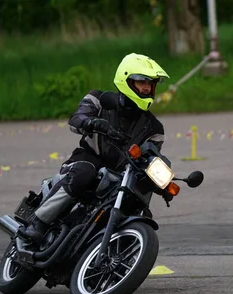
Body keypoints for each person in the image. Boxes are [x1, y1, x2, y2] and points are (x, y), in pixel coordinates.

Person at [23, 53, 170, 246]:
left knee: (140, 209)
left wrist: (163, 178)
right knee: (85, 173)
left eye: (151, 83)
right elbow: (75, 121)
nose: (147, 87)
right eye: (142, 81)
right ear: (126, 80)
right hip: (88, 158)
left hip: (121, 176)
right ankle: (39, 223)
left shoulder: (155, 128)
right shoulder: (99, 99)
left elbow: (152, 156)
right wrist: (93, 122)